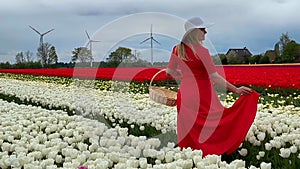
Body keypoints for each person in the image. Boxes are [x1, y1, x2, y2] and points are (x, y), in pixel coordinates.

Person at [166, 17, 260, 157]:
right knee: (214, 123)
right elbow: (214, 76)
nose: (205, 32)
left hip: (185, 94)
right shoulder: (202, 51)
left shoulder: (177, 49)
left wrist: (187, 73)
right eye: (203, 29)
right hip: (203, 94)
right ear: (195, 32)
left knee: (190, 128)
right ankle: (211, 152)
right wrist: (235, 89)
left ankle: (190, 157)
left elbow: (169, 72)